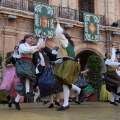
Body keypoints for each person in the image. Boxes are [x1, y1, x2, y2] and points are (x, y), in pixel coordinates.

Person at [53, 19, 83, 111]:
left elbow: (59, 33)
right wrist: (56, 62)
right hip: (69, 62)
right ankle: (69, 100)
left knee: (64, 82)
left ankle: (67, 102)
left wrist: (58, 23)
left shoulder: (65, 41)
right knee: (64, 83)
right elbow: (65, 57)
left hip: (68, 64)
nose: (59, 39)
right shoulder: (70, 46)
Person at [14, 34, 45, 110]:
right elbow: (25, 50)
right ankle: (27, 92)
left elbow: (39, 46)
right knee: (27, 76)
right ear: (26, 39)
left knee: (24, 84)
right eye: (30, 38)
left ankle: (16, 100)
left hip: (29, 64)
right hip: (23, 64)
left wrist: (41, 39)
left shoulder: (30, 47)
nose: (32, 40)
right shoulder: (22, 45)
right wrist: (35, 47)